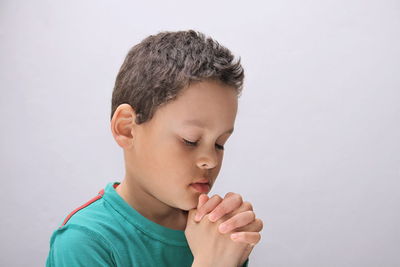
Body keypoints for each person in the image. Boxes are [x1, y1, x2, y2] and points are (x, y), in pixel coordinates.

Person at [46, 30, 264, 267]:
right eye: (190, 140)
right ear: (127, 129)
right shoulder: (84, 243)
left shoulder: (215, 234)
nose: (210, 160)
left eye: (220, 144)